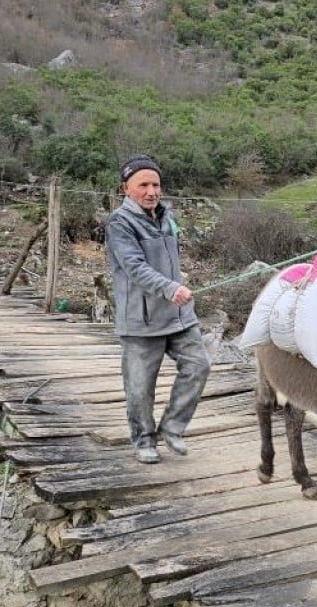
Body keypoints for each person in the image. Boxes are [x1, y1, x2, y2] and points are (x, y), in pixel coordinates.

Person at [105, 155, 211, 464]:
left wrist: (177, 288)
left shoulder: (167, 217)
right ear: (127, 189)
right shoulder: (119, 223)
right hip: (141, 321)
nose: (152, 191)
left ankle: (173, 428)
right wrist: (171, 288)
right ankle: (143, 440)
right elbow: (135, 268)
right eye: (143, 185)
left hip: (179, 316)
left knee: (199, 366)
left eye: (156, 184)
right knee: (139, 388)